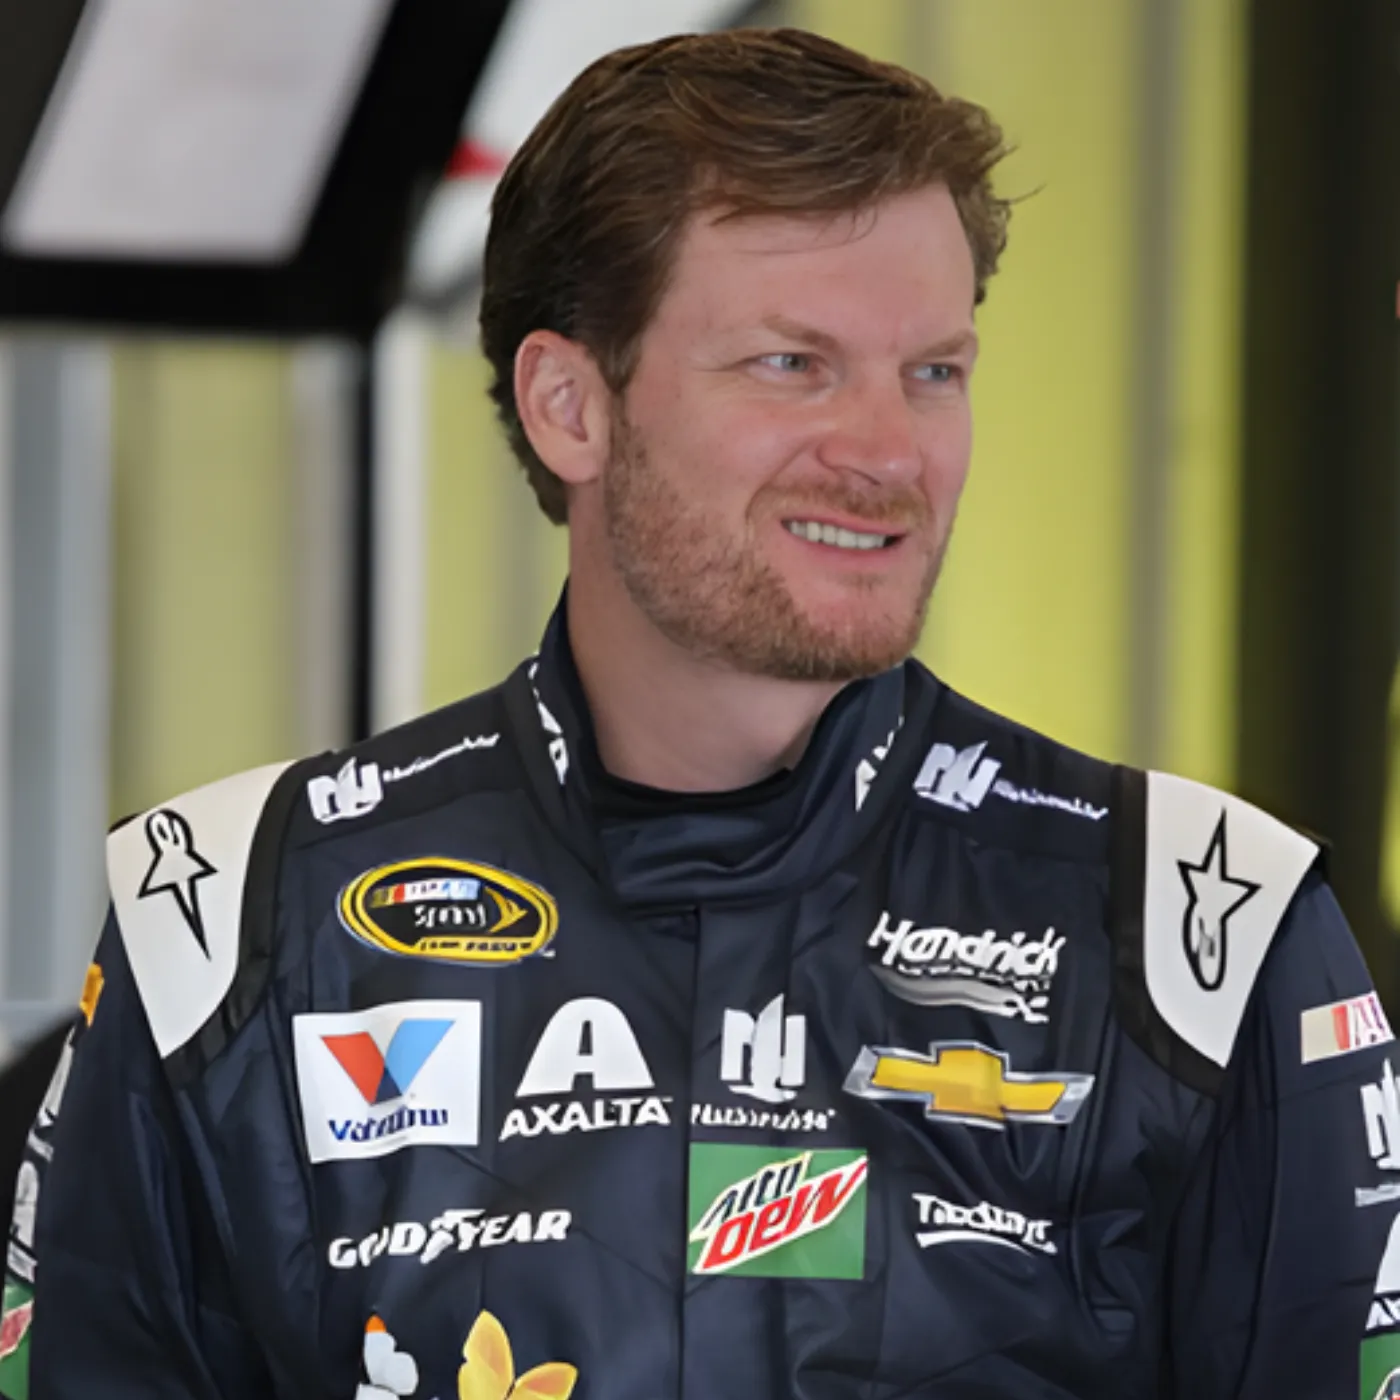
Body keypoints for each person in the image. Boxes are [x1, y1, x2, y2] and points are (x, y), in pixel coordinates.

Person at [3, 27, 1394, 1400]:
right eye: (791, 363)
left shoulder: (1198, 930)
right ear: (569, 406)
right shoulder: (232, 924)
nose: (887, 453)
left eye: (934, 370)